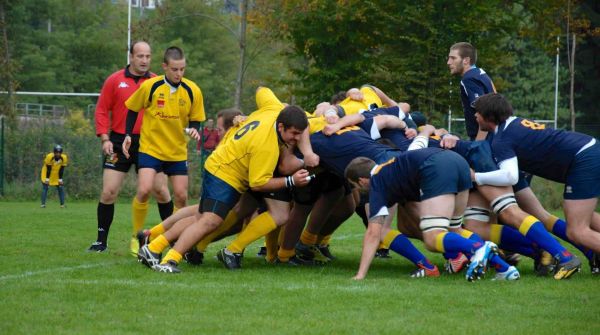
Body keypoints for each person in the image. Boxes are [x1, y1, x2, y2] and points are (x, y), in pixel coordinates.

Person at [137, 87, 311, 273]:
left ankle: (153, 247)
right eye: (294, 133)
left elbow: (261, 89)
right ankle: (168, 260)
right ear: (281, 127)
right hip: (224, 173)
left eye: (300, 133)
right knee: (209, 221)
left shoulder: (274, 109)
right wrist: (291, 181)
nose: (298, 138)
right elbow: (258, 183)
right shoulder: (266, 146)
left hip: (222, 166)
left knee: (201, 217)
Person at [345, 150, 519, 281]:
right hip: (458, 162)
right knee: (455, 229)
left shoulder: (377, 183)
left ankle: (479, 248)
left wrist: (360, 274)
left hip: (437, 166)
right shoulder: (389, 167)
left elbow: (373, 233)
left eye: (356, 186)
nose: (359, 190)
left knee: (431, 238)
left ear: (362, 180)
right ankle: (505, 269)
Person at [473, 93, 592, 279]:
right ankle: (590, 253)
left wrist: (477, 177)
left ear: (489, 116)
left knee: (577, 229)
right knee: (565, 218)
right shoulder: (510, 126)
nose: (475, 116)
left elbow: (510, 175)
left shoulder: (502, 138)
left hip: (583, 156)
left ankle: (566, 255)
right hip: (585, 150)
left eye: (478, 112)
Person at [88, 41, 173, 254]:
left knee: (161, 191)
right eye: (140, 56)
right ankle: (101, 241)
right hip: (118, 142)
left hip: (150, 143)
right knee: (108, 192)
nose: (144, 60)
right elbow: (101, 110)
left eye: (148, 56)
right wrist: (105, 139)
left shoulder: (157, 82)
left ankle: (172, 238)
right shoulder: (114, 80)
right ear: (131, 57)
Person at [122, 46, 205, 248]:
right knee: (144, 190)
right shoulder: (151, 86)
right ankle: (137, 237)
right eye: (175, 69)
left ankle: (176, 238)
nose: (179, 74)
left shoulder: (192, 90)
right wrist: (127, 135)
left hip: (177, 151)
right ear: (165, 67)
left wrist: (194, 130)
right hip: (151, 148)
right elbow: (133, 109)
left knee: (182, 196)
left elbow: (196, 120)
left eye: (182, 69)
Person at [447, 42, 496, 140]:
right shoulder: (480, 73)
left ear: (466, 60)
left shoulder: (469, 79)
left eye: (453, 58)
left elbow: (484, 114)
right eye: (449, 58)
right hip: (495, 136)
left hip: (486, 139)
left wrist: (477, 145)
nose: (448, 62)